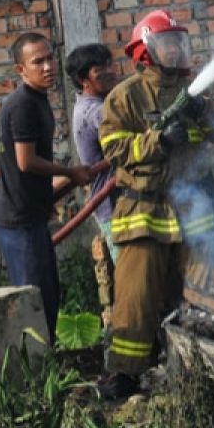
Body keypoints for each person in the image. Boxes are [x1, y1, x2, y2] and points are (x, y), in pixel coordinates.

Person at [97, 10, 214, 400]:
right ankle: (125, 374)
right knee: (137, 297)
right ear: (145, 52)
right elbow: (115, 150)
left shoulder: (195, 92)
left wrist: (205, 118)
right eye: (167, 44)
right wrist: (158, 141)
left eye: (178, 43)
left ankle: (210, 362)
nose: (175, 51)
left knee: (208, 283)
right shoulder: (125, 97)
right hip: (144, 210)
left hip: (191, 208)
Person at [0, 32, 92, 341]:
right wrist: (71, 173)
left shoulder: (38, 99)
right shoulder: (22, 105)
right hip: (18, 220)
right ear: (21, 69)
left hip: (31, 216)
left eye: (50, 58)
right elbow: (26, 162)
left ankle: (47, 363)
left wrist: (62, 186)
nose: (48, 66)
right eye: (38, 62)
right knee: (35, 303)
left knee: (49, 296)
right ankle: (36, 374)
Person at [68, 43, 121, 326]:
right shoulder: (96, 112)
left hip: (114, 206)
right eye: (101, 72)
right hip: (114, 208)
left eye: (110, 67)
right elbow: (128, 144)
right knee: (131, 279)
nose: (111, 74)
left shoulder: (90, 106)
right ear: (83, 79)